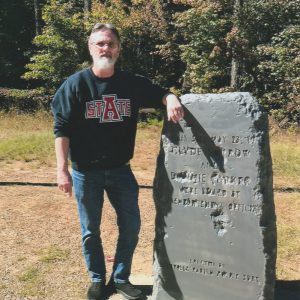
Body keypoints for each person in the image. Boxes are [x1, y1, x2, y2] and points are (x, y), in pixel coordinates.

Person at [51, 23, 184, 300]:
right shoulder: (74, 85)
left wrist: (170, 97)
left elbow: (159, 91)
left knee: (132, 226)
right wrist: (61, 170)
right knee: (90, 230)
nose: (105, 48)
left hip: (121, 170)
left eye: (110, 44)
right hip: (85, 172)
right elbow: (61, 129)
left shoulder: (131, 83)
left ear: (119, 49)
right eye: (100, 43)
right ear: (90, 48)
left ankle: (121, 278)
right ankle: (98, 279)